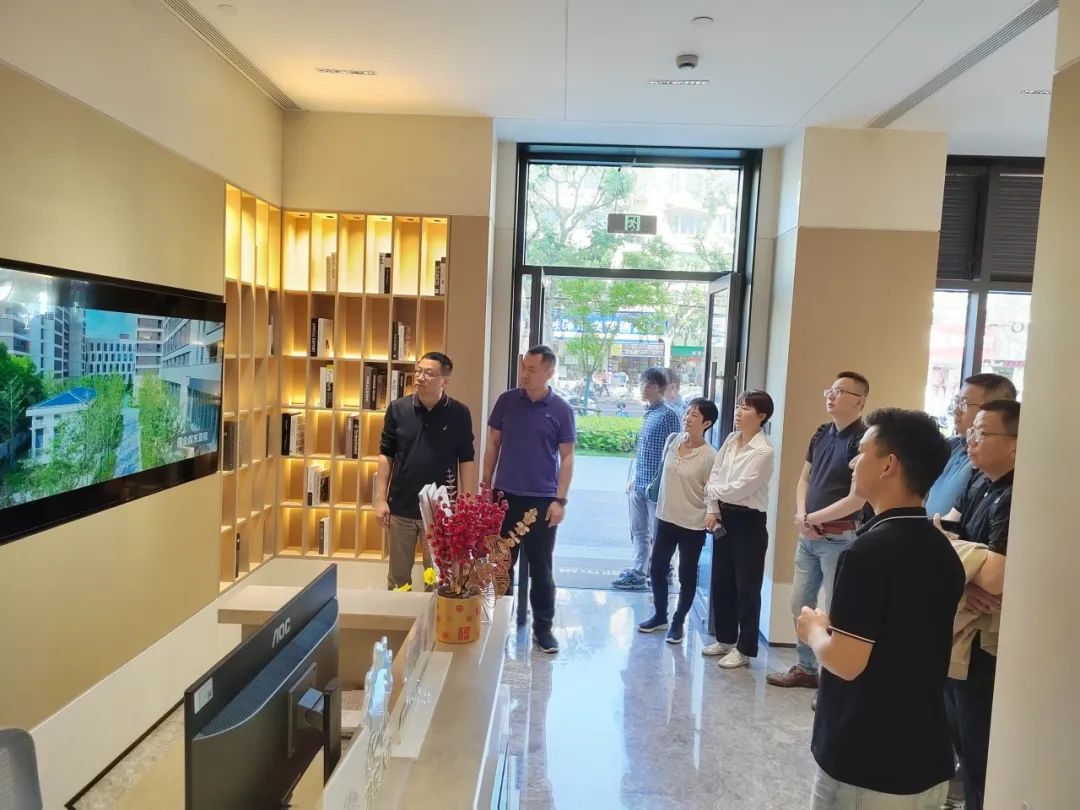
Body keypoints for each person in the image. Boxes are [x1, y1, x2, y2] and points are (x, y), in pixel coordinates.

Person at [797, 408, 964, 810]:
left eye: (862, 452)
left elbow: (846, 662)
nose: (853, 462)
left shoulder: (869, 552)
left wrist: (814, 629)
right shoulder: (942, 549)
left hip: (866, 762)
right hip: (925, 756)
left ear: (889, 465)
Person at [937, 400, 1019, 810]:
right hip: (961, 625)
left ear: (1016, 445)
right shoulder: (978, 482)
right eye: (972, 431)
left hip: (989, 642)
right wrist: (966, 572)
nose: (971, 440)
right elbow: (940, 536)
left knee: (981, 746)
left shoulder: (1017, 494)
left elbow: (995, 577)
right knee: (959, 737)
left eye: (983, 433)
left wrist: (961, 562)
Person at [768, 371, 870, 691]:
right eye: (831, 390)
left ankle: (833, 680)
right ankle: (806, 668)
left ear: (860, 401)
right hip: (809, 537)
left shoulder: (863, 441)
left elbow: (858, 498)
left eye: (841, 392)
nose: (832, 395)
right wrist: (803, 516)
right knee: (800, 603)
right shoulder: (822, 432)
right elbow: (805, 478)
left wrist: (813, 518)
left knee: (837, 612)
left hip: (840, 537)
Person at [483, 345, 576, 654]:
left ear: (549, 372)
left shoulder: (561, 409)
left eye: (532, 369)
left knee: (541, 569)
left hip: (542, 502)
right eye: (524, 367)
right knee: (500, 567)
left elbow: (567, 458)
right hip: (504, 498)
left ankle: (543, 630)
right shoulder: (507, 401)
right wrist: (486, 486)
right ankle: (498, 626)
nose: (525, 374)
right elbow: (493, 445)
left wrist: (560, 501)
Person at [376, 352, 475, 590]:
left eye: (428, 373)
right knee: (398, 580)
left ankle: (434, 616)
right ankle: (400, 616)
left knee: (440, 580)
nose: (420, 377)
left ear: (445, 380)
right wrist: (379, 500)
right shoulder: (398, 409)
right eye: (418, 371)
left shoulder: (459, 413)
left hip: (440, 511)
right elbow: (386, 456)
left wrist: (465, 504)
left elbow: (466, 460)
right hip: (401, 506)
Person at [702, 390, 776, 669]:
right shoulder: (732, 439)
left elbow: (741, 488)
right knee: (722, 581)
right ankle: (724, 639)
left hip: (749, 522)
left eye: (746, 408)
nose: (738, 412)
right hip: (724, 517)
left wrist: (713, 492)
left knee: (747, 587)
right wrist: (712, 507)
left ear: (761, 416)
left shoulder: (764, 450)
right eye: (738, 407)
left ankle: (744, 649)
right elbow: (715, 474)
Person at [637, 398, 719, 643]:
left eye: (695, 415)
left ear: (706, 423)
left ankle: (678, 622)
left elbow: (712, 490)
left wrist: (711, 514)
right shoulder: (673, 441)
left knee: (686, 574)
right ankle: (660, 616)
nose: (687, 417)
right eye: (687, 412)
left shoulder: (709, 455)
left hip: (693, 524)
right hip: (665, 518)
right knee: (657, 569)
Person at [612, 368, 681, 591]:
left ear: (658, 388)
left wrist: (665, 484)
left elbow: (674, 452)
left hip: (656, 487)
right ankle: (639, 570)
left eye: (648, 384)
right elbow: (643, 450)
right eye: (643, 383)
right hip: (639, 483)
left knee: (657, 533)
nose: (643, 388)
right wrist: (634, 477)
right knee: (638, 531)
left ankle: (662, 571)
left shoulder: (669, 415)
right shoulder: (649, 413)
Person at [924, 373, 1017, 518]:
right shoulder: (949, 446)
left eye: (964, 404)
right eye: (957, 402)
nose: (956, 410)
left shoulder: (988, 464)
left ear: (994, 409)